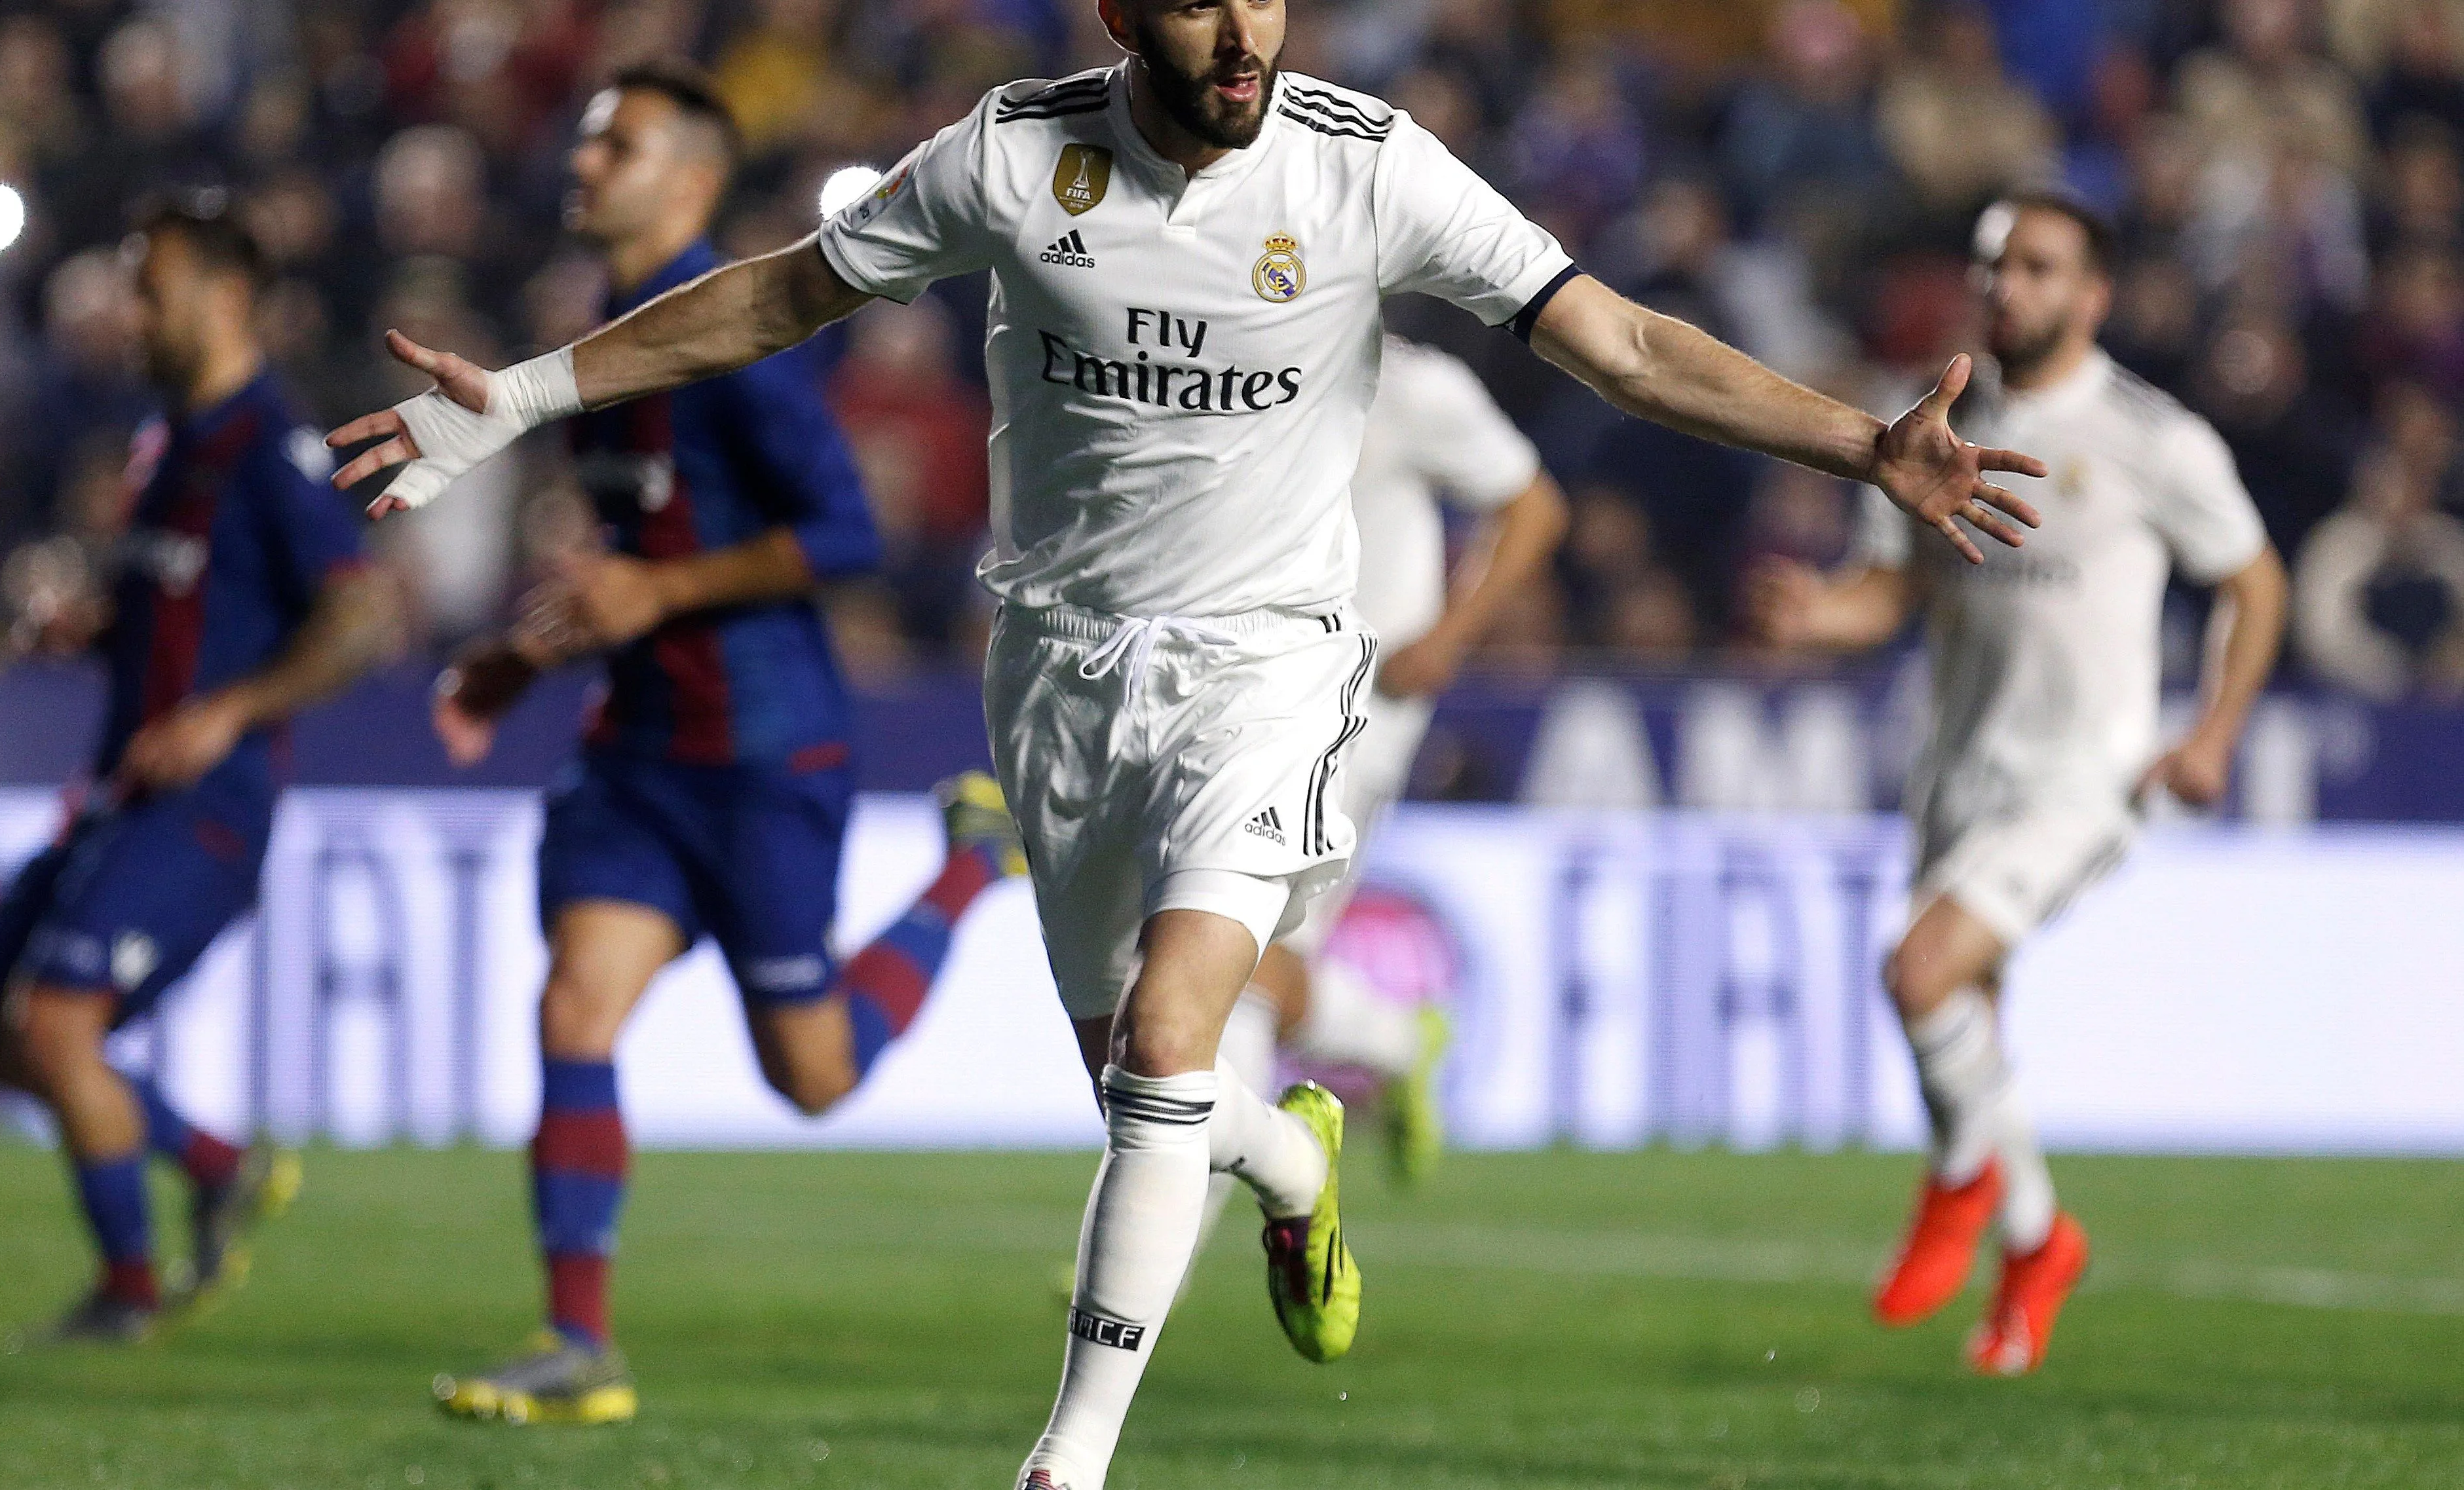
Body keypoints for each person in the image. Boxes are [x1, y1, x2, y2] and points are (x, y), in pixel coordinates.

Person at [326, 1, 2041, 1478]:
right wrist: (529, 399)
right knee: (1159, 1101)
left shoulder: (1365, 164)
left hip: (1271, 665)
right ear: (1115, 13)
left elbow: (1621, 342)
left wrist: (1854, 444)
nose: (1245, 38)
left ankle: (1064, 1461)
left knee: (1163, 1044)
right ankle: (1294, 1160)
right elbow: (776, 299)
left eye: (1266, 2)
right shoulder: (1010, 159)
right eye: (1202, 6)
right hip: (1059, 680)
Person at [415, 61, 1027, 1427]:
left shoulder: (735, 347)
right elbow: (631, 556)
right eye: (583, 142)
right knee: (575, 1008)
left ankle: (970, 870)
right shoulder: (598, 337)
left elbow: (853, 535)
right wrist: (529, 651)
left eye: (614, 146)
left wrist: (661, 594)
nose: (581, 167)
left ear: (688, 183)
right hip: (638, 753)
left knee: (810, 1076)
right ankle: (577, 1344)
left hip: (765, 755)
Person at [1753, 191, 2288, 1375]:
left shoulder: (2154, 437)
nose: (2010, 287)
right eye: (1995, 266)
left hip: (2082, 776)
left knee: (1920, 970)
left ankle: (1958, 1184)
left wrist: (2213, 732)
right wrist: (1816, 617)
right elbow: (1891, 592)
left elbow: (2257, 581)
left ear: (2092, 295)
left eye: (2039, 268)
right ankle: (2038, 1244)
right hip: (1956, 767)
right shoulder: (1938, 427)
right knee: (1969, 1022)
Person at [0, 196, 398, 1342]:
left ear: (225, 297)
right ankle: (213, 1163)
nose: (130, 312)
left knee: (59, 1023)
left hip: (209, 804)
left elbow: (358, 620)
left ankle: (127, 1295)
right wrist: (91, 625)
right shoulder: (171, 450)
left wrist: (228, 714)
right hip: (117, 794)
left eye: (151, 289)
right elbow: (172, 616)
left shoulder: (271, 446)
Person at [1217, 335, 1570, 1191]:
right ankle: (1396, 1039)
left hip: (1356, 722)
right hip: (1237, 709)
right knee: (1231, 964)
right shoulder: (1230, 361)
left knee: (1233, 973)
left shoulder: (1414, 385)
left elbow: (1533, 506)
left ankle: (1141, 1287)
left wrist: (1450, 635)